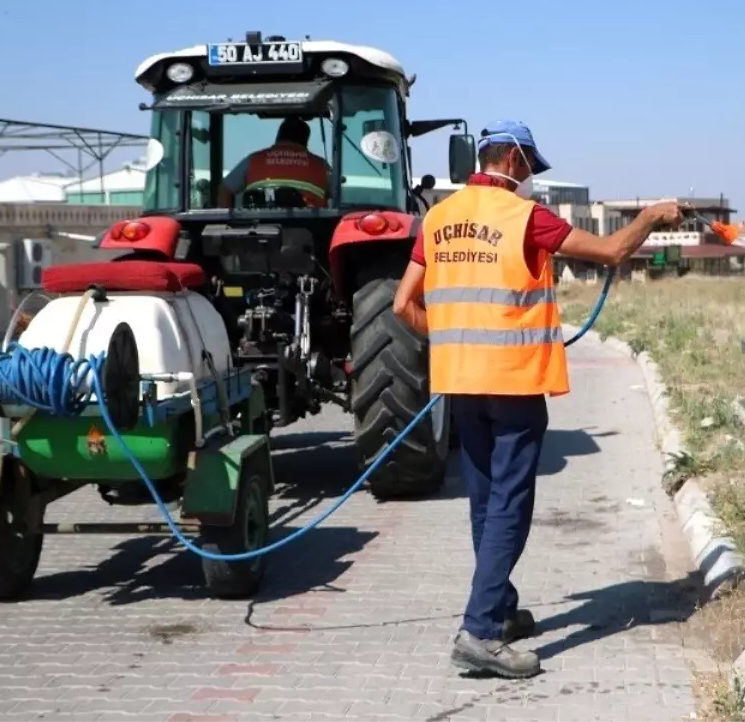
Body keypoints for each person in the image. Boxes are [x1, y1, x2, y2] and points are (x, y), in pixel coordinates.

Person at [392, 120, 686, 679]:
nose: (530, 176)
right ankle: (479, 631)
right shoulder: (526, 217)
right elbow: (609, 250)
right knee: (510, 504)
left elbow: (403, 305)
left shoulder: (437, 219)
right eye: (528, 164)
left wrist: (457, 333)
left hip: (460, 379)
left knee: (483, 500)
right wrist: (650, 217)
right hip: (514, 380)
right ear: (509, 157)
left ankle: (499, 611)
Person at [216, 116, 331, 209]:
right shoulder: (320, 165)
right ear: (305, 141)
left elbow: (225, 189)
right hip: (309, 230)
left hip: (257, 229)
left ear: (278, 137)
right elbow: (339, 197)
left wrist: (226, 224)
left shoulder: (254, 160)